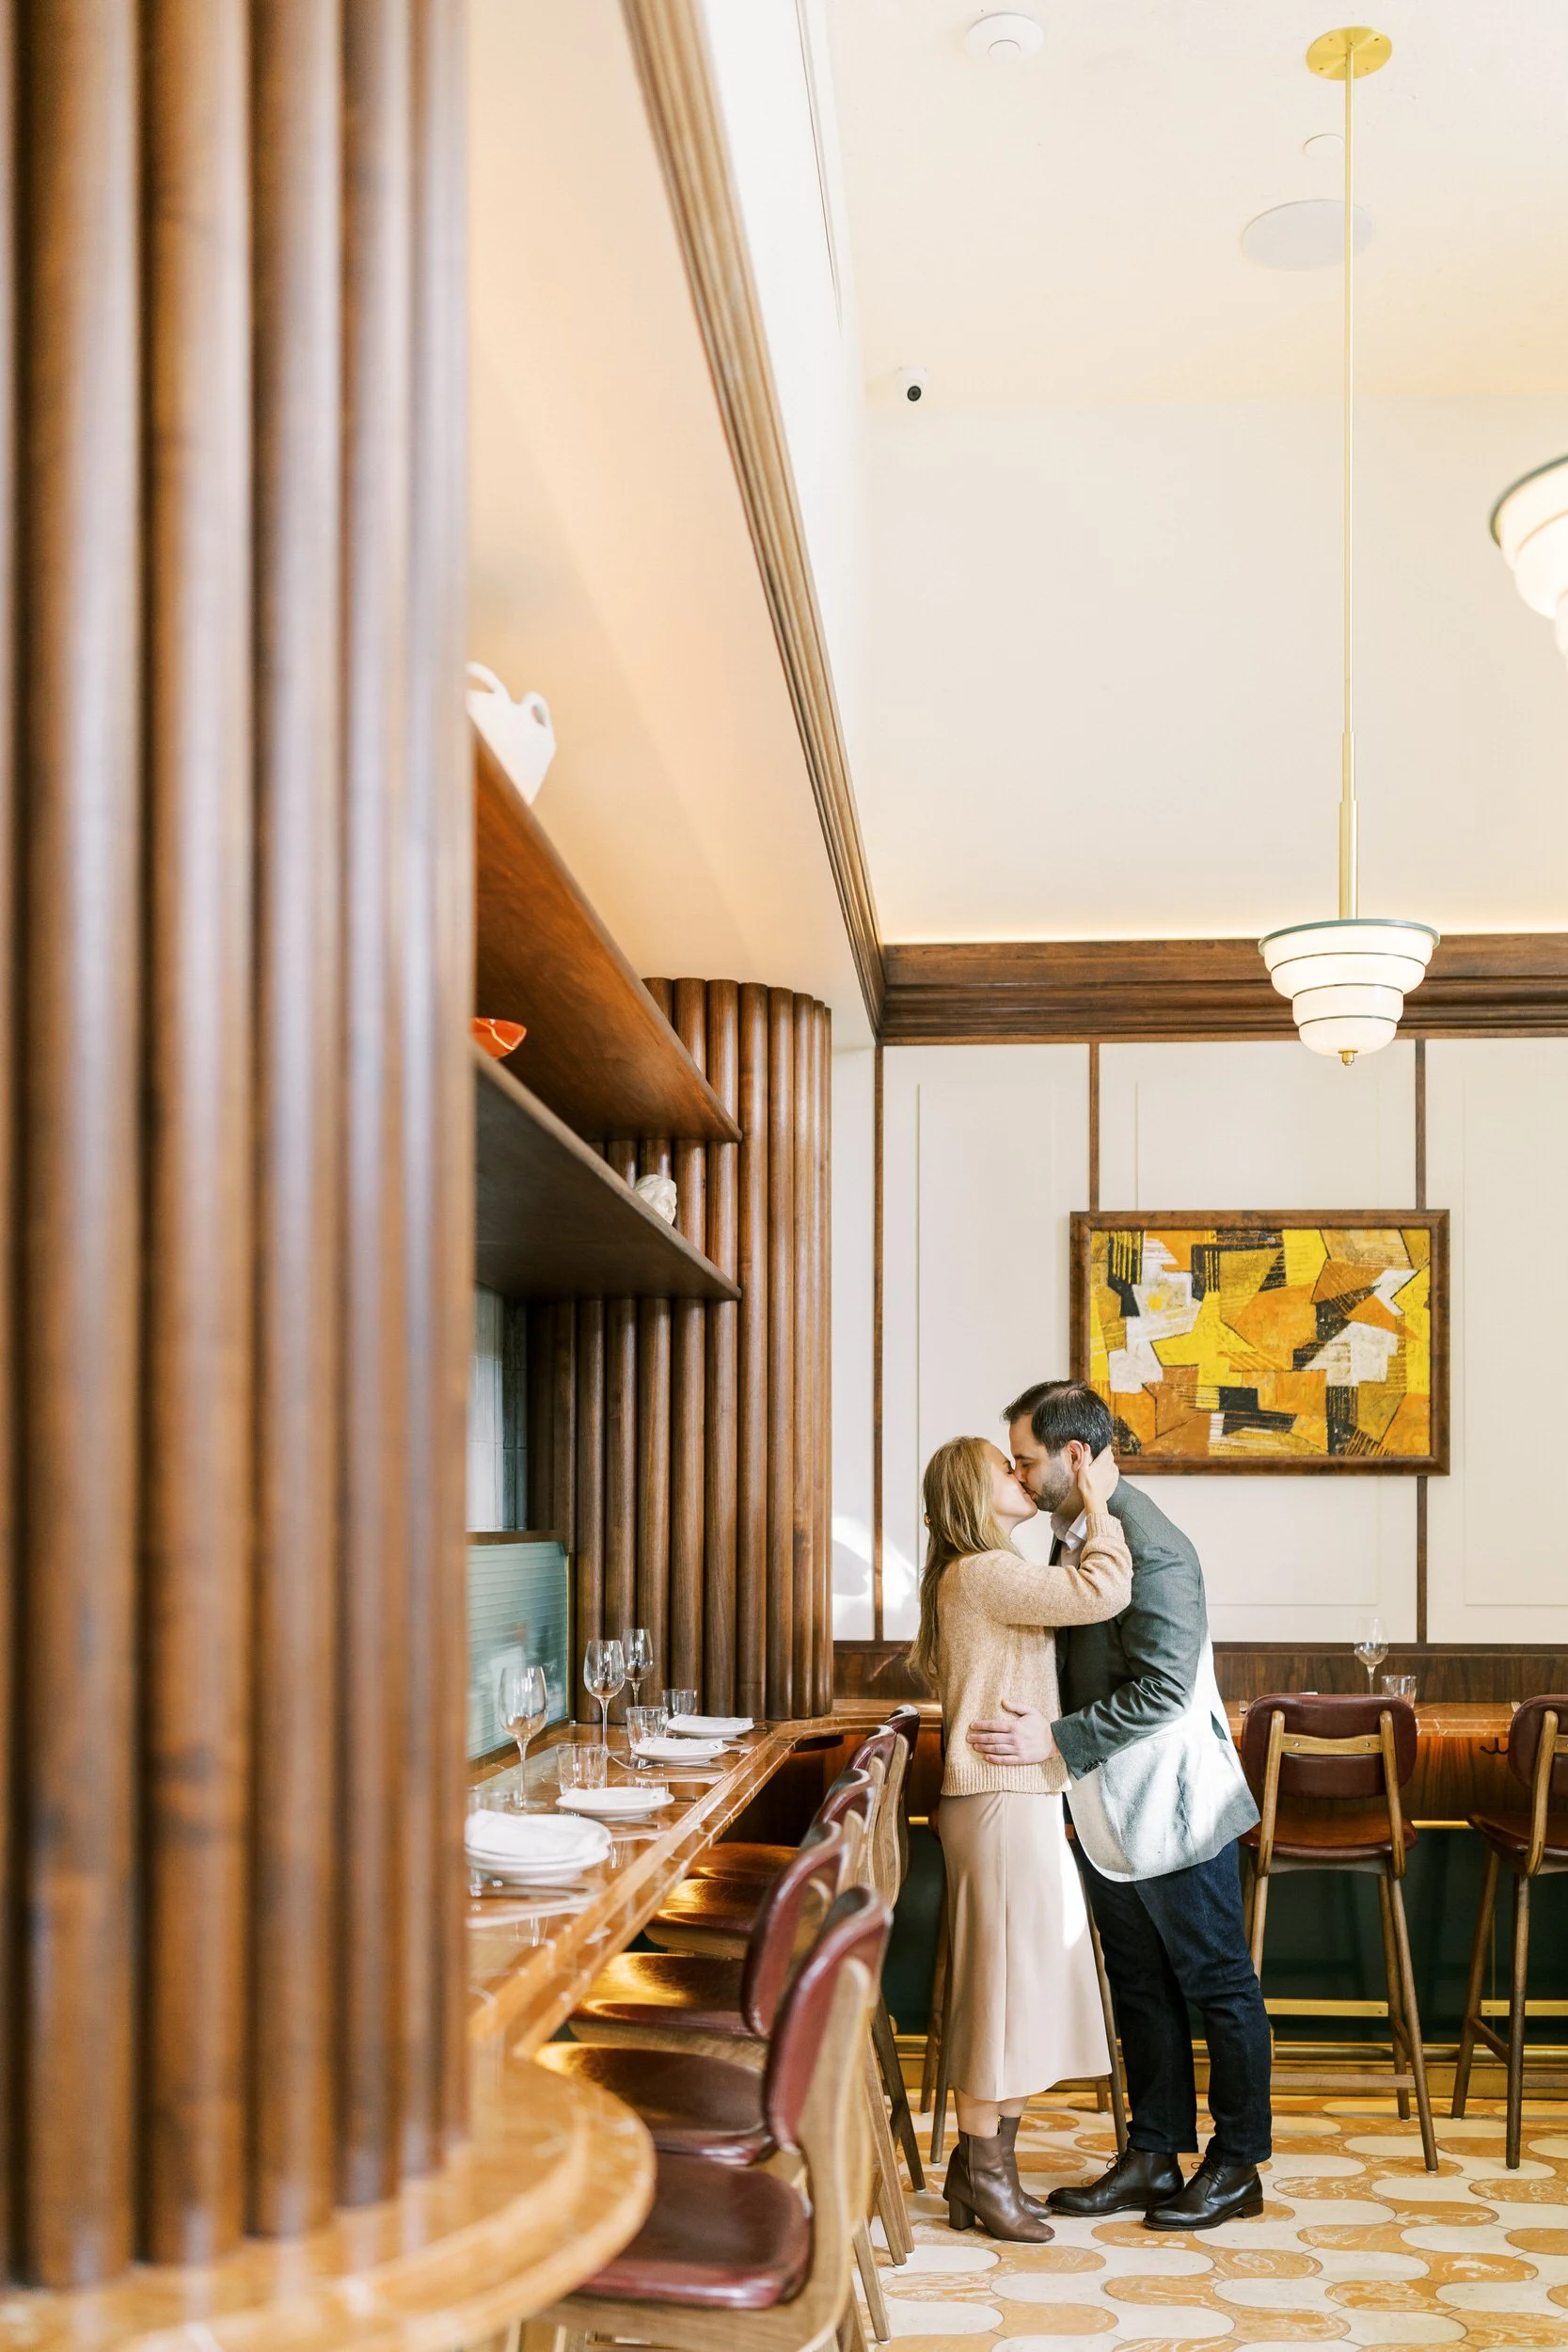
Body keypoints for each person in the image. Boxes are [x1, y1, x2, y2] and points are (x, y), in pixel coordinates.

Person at [969, 1378, 1272, 2232]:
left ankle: (1238, 2163)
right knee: (1139, 1983)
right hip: (1111, 1806)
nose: (1021, 1480)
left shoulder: (1152, 1544)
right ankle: (1152, 2153)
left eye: (1027, 1462)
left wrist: (1056, 1744)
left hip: (1175, 1803)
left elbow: (1168, 1690)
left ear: (1074, 1456)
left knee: (1217, 1985)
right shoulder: (1079, 1536)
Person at [910, 1433, 1132, 2242]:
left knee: (1016, 1991)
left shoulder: (979, 1573)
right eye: (1005, 1470)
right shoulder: (984, 1572)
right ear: (975, 1492)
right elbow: (1100, 1590)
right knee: (1000, 1997)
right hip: (1000, 1801)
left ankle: (981, 2175)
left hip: (1008, 1798)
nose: (1021, 1476)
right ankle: (984, 2175)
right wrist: (1097, 1495)